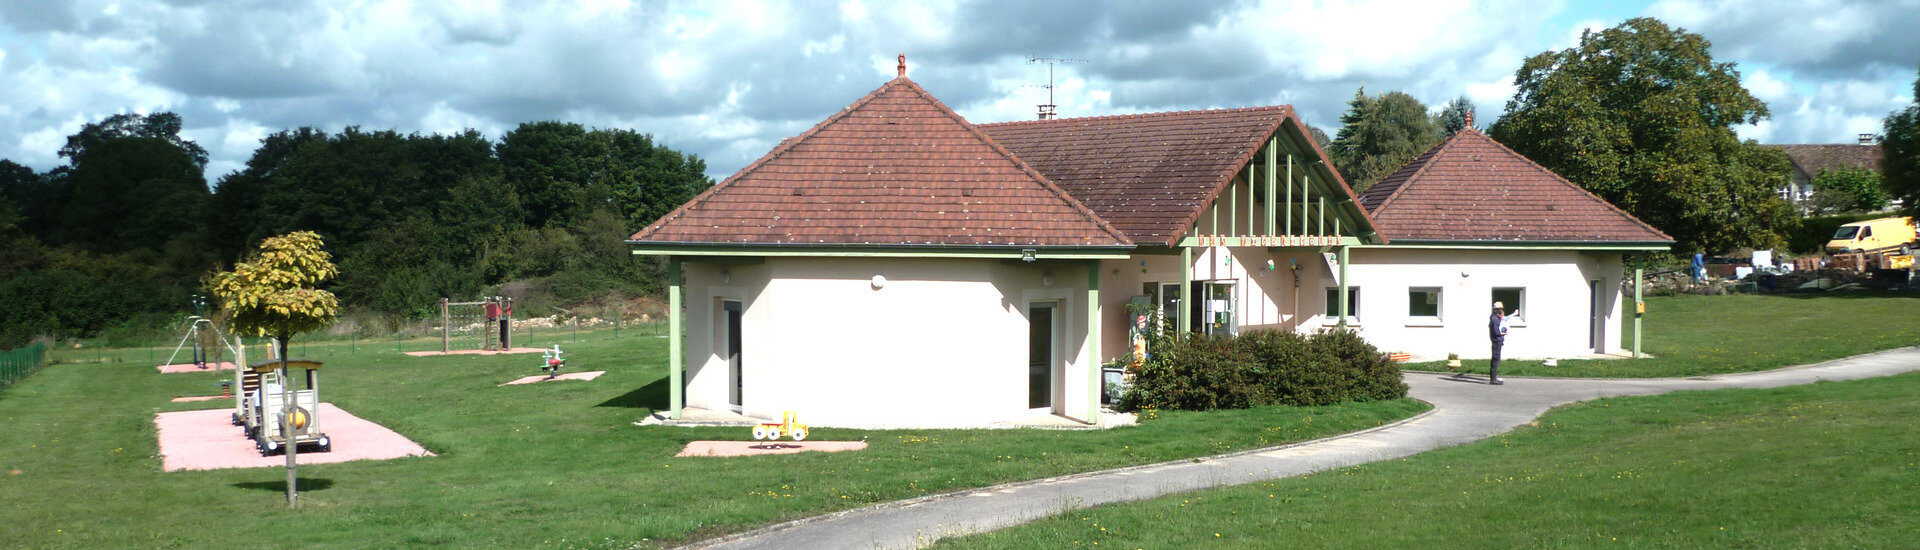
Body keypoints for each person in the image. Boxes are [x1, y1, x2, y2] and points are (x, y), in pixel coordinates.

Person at [1488, 302, 1509, 385]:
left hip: (1497, 340)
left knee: (1496, 358)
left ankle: (1494, 377)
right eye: (1500, 309)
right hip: (1496, 340)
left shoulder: (1496, 318)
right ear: (1497, 310)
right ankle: (1493, 379)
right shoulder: (1494, 319)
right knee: (1496, 358)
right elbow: (1496, 331)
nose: (1501, 311)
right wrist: (1502, 333)